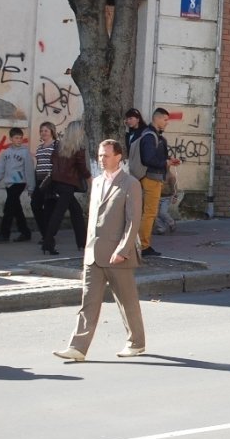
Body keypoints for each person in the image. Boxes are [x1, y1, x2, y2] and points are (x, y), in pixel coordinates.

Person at [52, 139, 145, 361]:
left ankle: (136, 343)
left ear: (118, 157)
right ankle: (78, 348)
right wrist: (87, 249)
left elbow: (133, 221)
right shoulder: (96, 183)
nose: (101, 159)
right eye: (100, 155)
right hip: (93, 254)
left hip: (117, 255)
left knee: (127, 302)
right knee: (88, 303)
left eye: (106, 155)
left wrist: (123, 249)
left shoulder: (130, 183)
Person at [42, 120, 91, 255]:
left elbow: (52, 161)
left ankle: (82, 242)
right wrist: (90, 179)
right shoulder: (78, 147)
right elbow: (82, 167)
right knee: (58, 214)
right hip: (68, 184)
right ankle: (48, 243)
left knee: (76, 211)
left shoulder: (59, 145)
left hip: (57, 183)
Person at [138, 108, 181, 256]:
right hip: (151, 178)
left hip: (154, 177)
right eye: (165, 120)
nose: (167, 123)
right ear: (157, 119)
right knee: (149, 213)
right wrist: (166, 163)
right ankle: (143, 246)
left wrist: (168, 161)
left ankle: (143, 244)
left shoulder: (155, 136)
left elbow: (154, 157)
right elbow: (148, 159)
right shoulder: (150, 136)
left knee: (149, 213)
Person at [0, 127, 35, 243]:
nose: (19, 140)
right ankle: (25, 232)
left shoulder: (25, 153)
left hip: (19, 183)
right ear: (11, 138)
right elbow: (0, 168)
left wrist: (31, 187)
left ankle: (4, 234)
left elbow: (29, 170)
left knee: (8, 208)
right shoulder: (6, 153)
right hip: (9, 184)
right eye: (16, 138)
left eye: (20, 138)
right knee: (16, 208)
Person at [31, 122, 58, 244]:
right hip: (39, 181)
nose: (43, 133)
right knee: (35, 205)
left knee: (48, 209)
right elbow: (39, 164)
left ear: (52, 131)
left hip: (51, 181)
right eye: (41, 131)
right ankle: (45, 233)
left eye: (46, 130)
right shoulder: (39, 147)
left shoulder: (56, 145)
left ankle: (48, 237)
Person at [154, 165, 178, 235]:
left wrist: (175, 197)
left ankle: (171, 222)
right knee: (154, 214)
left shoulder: (171, 176)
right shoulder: (157, 175)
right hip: (157, 197)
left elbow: (174, 188)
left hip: (166, 198)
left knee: (163, 213)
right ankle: (161, 228)